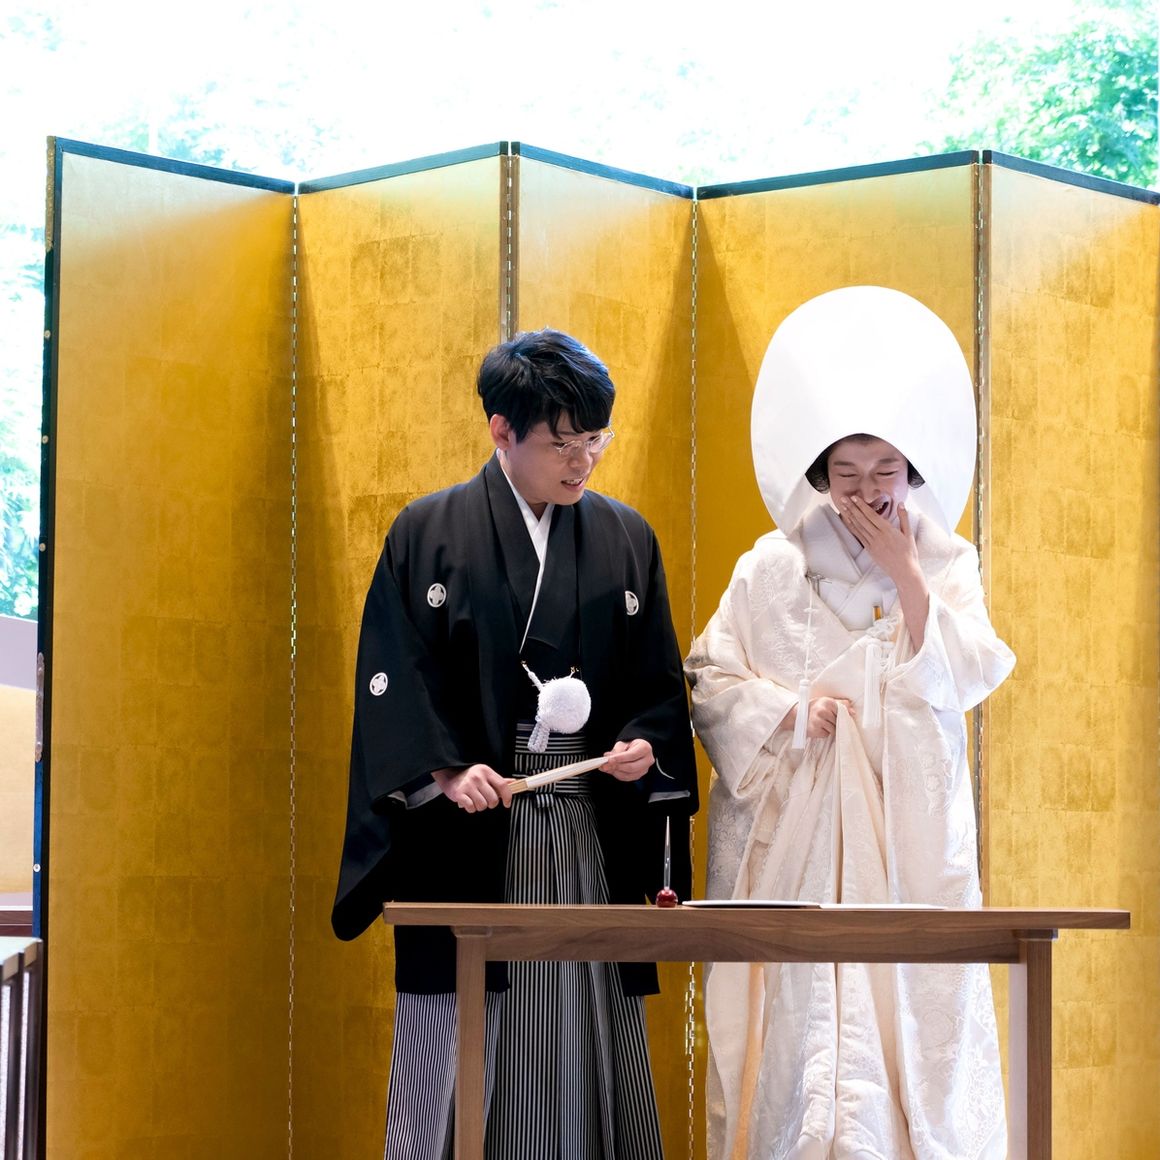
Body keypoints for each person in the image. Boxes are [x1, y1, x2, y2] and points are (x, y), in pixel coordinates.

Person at [332, 328, 698, 1160]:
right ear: (502, 430)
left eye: (596, 439)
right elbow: (394, 675)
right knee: (453, 1038)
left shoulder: (627, 537)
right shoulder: (428, 532)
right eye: (562, 442)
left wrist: (642, 744)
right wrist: (444, 768)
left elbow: (656, 685)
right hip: (471, 825)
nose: (583, 461)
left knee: (582, 1026)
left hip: (586, 830)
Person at [685, 287, 1014, 1160]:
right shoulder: (772, 566)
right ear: (819, 473)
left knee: (905, 1029)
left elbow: (963, 679)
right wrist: (793, 715)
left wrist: (907, 573)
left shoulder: (947, 564)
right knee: (795, 1035)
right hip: (794, 851)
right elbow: (711, 679)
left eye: (886, 472)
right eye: (847, 474)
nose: (867, 492)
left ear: (913, 471)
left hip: (900, 852)